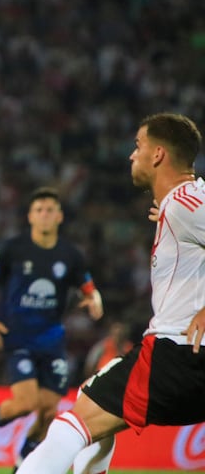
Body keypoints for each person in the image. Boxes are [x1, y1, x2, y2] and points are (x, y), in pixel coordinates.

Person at [17, 112, 205, 473]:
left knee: (74, 423)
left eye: (138, 146)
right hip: (187, 358)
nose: (131, 155)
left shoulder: (185, 205)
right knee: (96, 405)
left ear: (159, 154)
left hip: (177, 354)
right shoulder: (181, 204)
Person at [0, 187, 103, 471]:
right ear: (30, 216)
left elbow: (88, 288)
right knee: (26, 402)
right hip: (18, 336)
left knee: (47, 413)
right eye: (39, 210)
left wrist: (94, 300)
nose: (45, 215)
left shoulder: (70, 255)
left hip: (52, 340)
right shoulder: (13, 249)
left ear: (60, 217)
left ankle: (21, 465)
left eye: (50, 210)